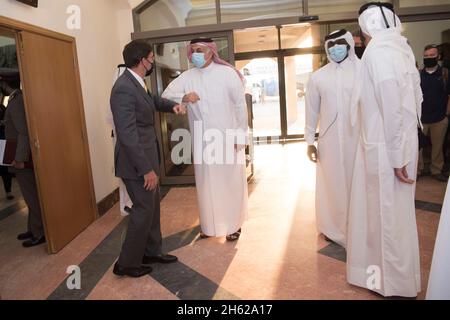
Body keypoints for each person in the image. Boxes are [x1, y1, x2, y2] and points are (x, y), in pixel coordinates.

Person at [347, 2, 422, 297]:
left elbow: (391, 104)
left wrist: (396, 155)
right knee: (397, 215)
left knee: (386, 216)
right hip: (401, 142)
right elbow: (415, 99)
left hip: (387, 148)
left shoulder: (379, 52)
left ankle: (394, 285)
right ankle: (398, 279)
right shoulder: (401, 48)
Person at [110, 40, 186, 278]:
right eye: (152, 57)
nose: (153, 61)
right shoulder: (123, 87)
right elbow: (127, 135)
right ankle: (127, 263)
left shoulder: (136, 82)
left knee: (152, 209)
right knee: (143, 210)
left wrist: (173, 105)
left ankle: (152, 251)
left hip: (146, 159)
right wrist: (146, 170)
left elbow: (152, 101)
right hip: (136, 165)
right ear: (142, 60)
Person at [162, 37, 249, 242]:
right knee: (206, 183)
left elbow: (239, 107)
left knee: (229, 182)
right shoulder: (187, 77)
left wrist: (240, 136)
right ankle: (209, 226)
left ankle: (232, 226)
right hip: (202, 139)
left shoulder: (228, 74)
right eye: (192, 50)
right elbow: (166, 94)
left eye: (199, 50)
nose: (195, 54)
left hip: (227, 138)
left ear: (211, 52)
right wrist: (184, 97)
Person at [305, 29, 361, 248]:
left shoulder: (363, 71)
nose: (335, 48)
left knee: (357, 183)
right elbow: (311, 110)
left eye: (340, 43)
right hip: (329, 143)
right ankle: (332, 227)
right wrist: (310, 141)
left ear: (349, 44)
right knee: (332, 185)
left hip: (358, 138)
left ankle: (359, 226)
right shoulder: (319, 76)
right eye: (331, 45)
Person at [1, 73, 45, 247]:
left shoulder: (16, 101)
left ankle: (40, 232)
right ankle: (33, 228)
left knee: (31, 196)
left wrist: (19, 158)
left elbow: (23, 131)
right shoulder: (14, 99)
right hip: (14, 152)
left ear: (4, 84)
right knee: (28, 195)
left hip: (21, 157)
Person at [418, 44, 450, 182]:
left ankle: (436, 169)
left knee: (437, 147)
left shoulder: (445, 74)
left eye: (432, 55)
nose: (429, 58)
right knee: (417, 147)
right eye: (426, 56)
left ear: (438, 57)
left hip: (439, 118)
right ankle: (417, 170)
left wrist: (447, 115)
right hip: (421, 119)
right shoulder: (418, 74)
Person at [107, 64, 132, 216]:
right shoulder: (120, 89)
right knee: (126, 175)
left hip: (129, 141)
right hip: (122, 140)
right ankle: (127, 205)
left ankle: (130, 203)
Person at [0, 102, 14, 200]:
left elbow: (8, 120)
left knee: (5, 167)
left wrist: (3, 122)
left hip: (3, 139)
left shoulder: (2, 107)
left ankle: (8, 191)